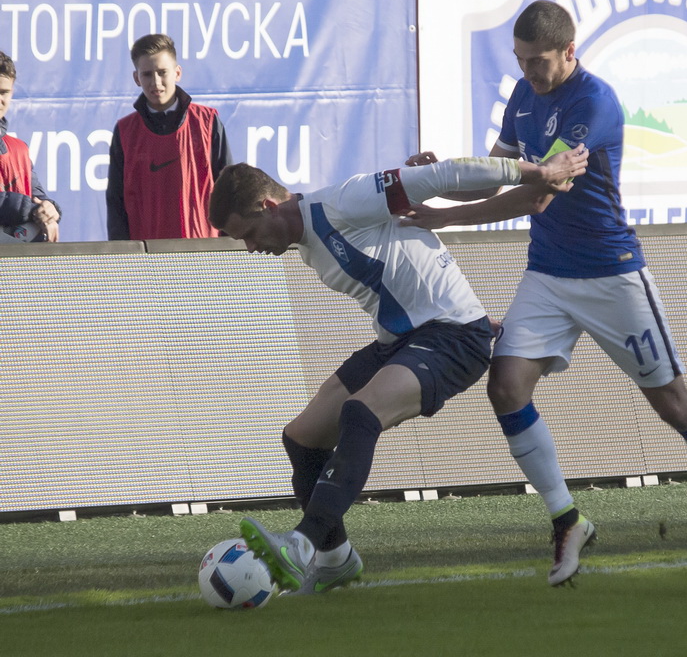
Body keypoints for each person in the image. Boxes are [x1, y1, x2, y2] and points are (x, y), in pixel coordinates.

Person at [403, 0, 687, 586]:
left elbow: (536, 195)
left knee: (673, 404)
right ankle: (568, 519)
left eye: (539, 62)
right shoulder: (524, 96)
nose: (529, 73)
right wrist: (436, 175)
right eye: (521, 62)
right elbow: (495, 168)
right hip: (548, 272)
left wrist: (444, 217)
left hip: (611, 273)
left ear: (569, 51)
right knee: (506, 385)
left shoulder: (592, 103)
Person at [210, 147, 588, 594]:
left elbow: (447, 174)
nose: (252, 248)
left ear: (268, 206)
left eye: (249, 234)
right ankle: (335, 560)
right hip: (405, 338)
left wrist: (539, 171)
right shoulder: (308, 241)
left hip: (452, 337)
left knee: (360, 414)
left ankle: (302, 544)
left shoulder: (340, 203)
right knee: (301, 439)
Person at [106, 34, 232, 241]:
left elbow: (227, 193)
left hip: (204, 254)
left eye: (162, 72)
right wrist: (124, 256)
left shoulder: (207, 122)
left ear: (177, 73)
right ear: (136, 78)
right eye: (147, 74)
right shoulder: (125, 131)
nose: (156, 82)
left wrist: (229, 248)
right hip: (146, 258)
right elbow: (116, 202)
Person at [0, 50, 61, 243]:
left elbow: (38, 197)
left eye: (4, 92)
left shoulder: (18, 149)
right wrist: (34, 210)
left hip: (17, 267)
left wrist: (49, 210)